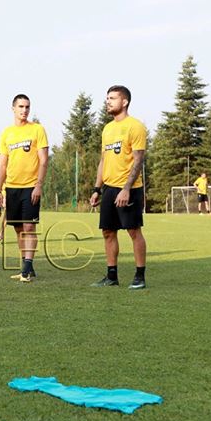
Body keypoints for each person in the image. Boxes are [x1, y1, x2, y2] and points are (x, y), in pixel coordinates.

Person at [89, 85, 148, 290]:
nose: (108, 102)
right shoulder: (107, 129)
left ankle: (139, 276)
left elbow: (138, 160)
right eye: (107, 98)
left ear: (125, 102)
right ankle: (111, 276)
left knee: (133, 231)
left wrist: (126, 189)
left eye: (112, 98)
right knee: (108, 232)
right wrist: (97, 189)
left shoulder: (135, 126)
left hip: (129, 188)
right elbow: (103, 160)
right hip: (109, 188)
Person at [0, 94, 49, 283]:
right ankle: (27, 267)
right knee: (18, 228)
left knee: (29, 227)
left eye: (27, 107)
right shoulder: (6, 133)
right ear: (13, 108)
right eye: (21, 106)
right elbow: (2, 164)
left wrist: (38, 185)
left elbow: (44, 160)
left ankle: (26, 269)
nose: (24, 110)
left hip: (30, 187)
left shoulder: (37, 129)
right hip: (12, 188)